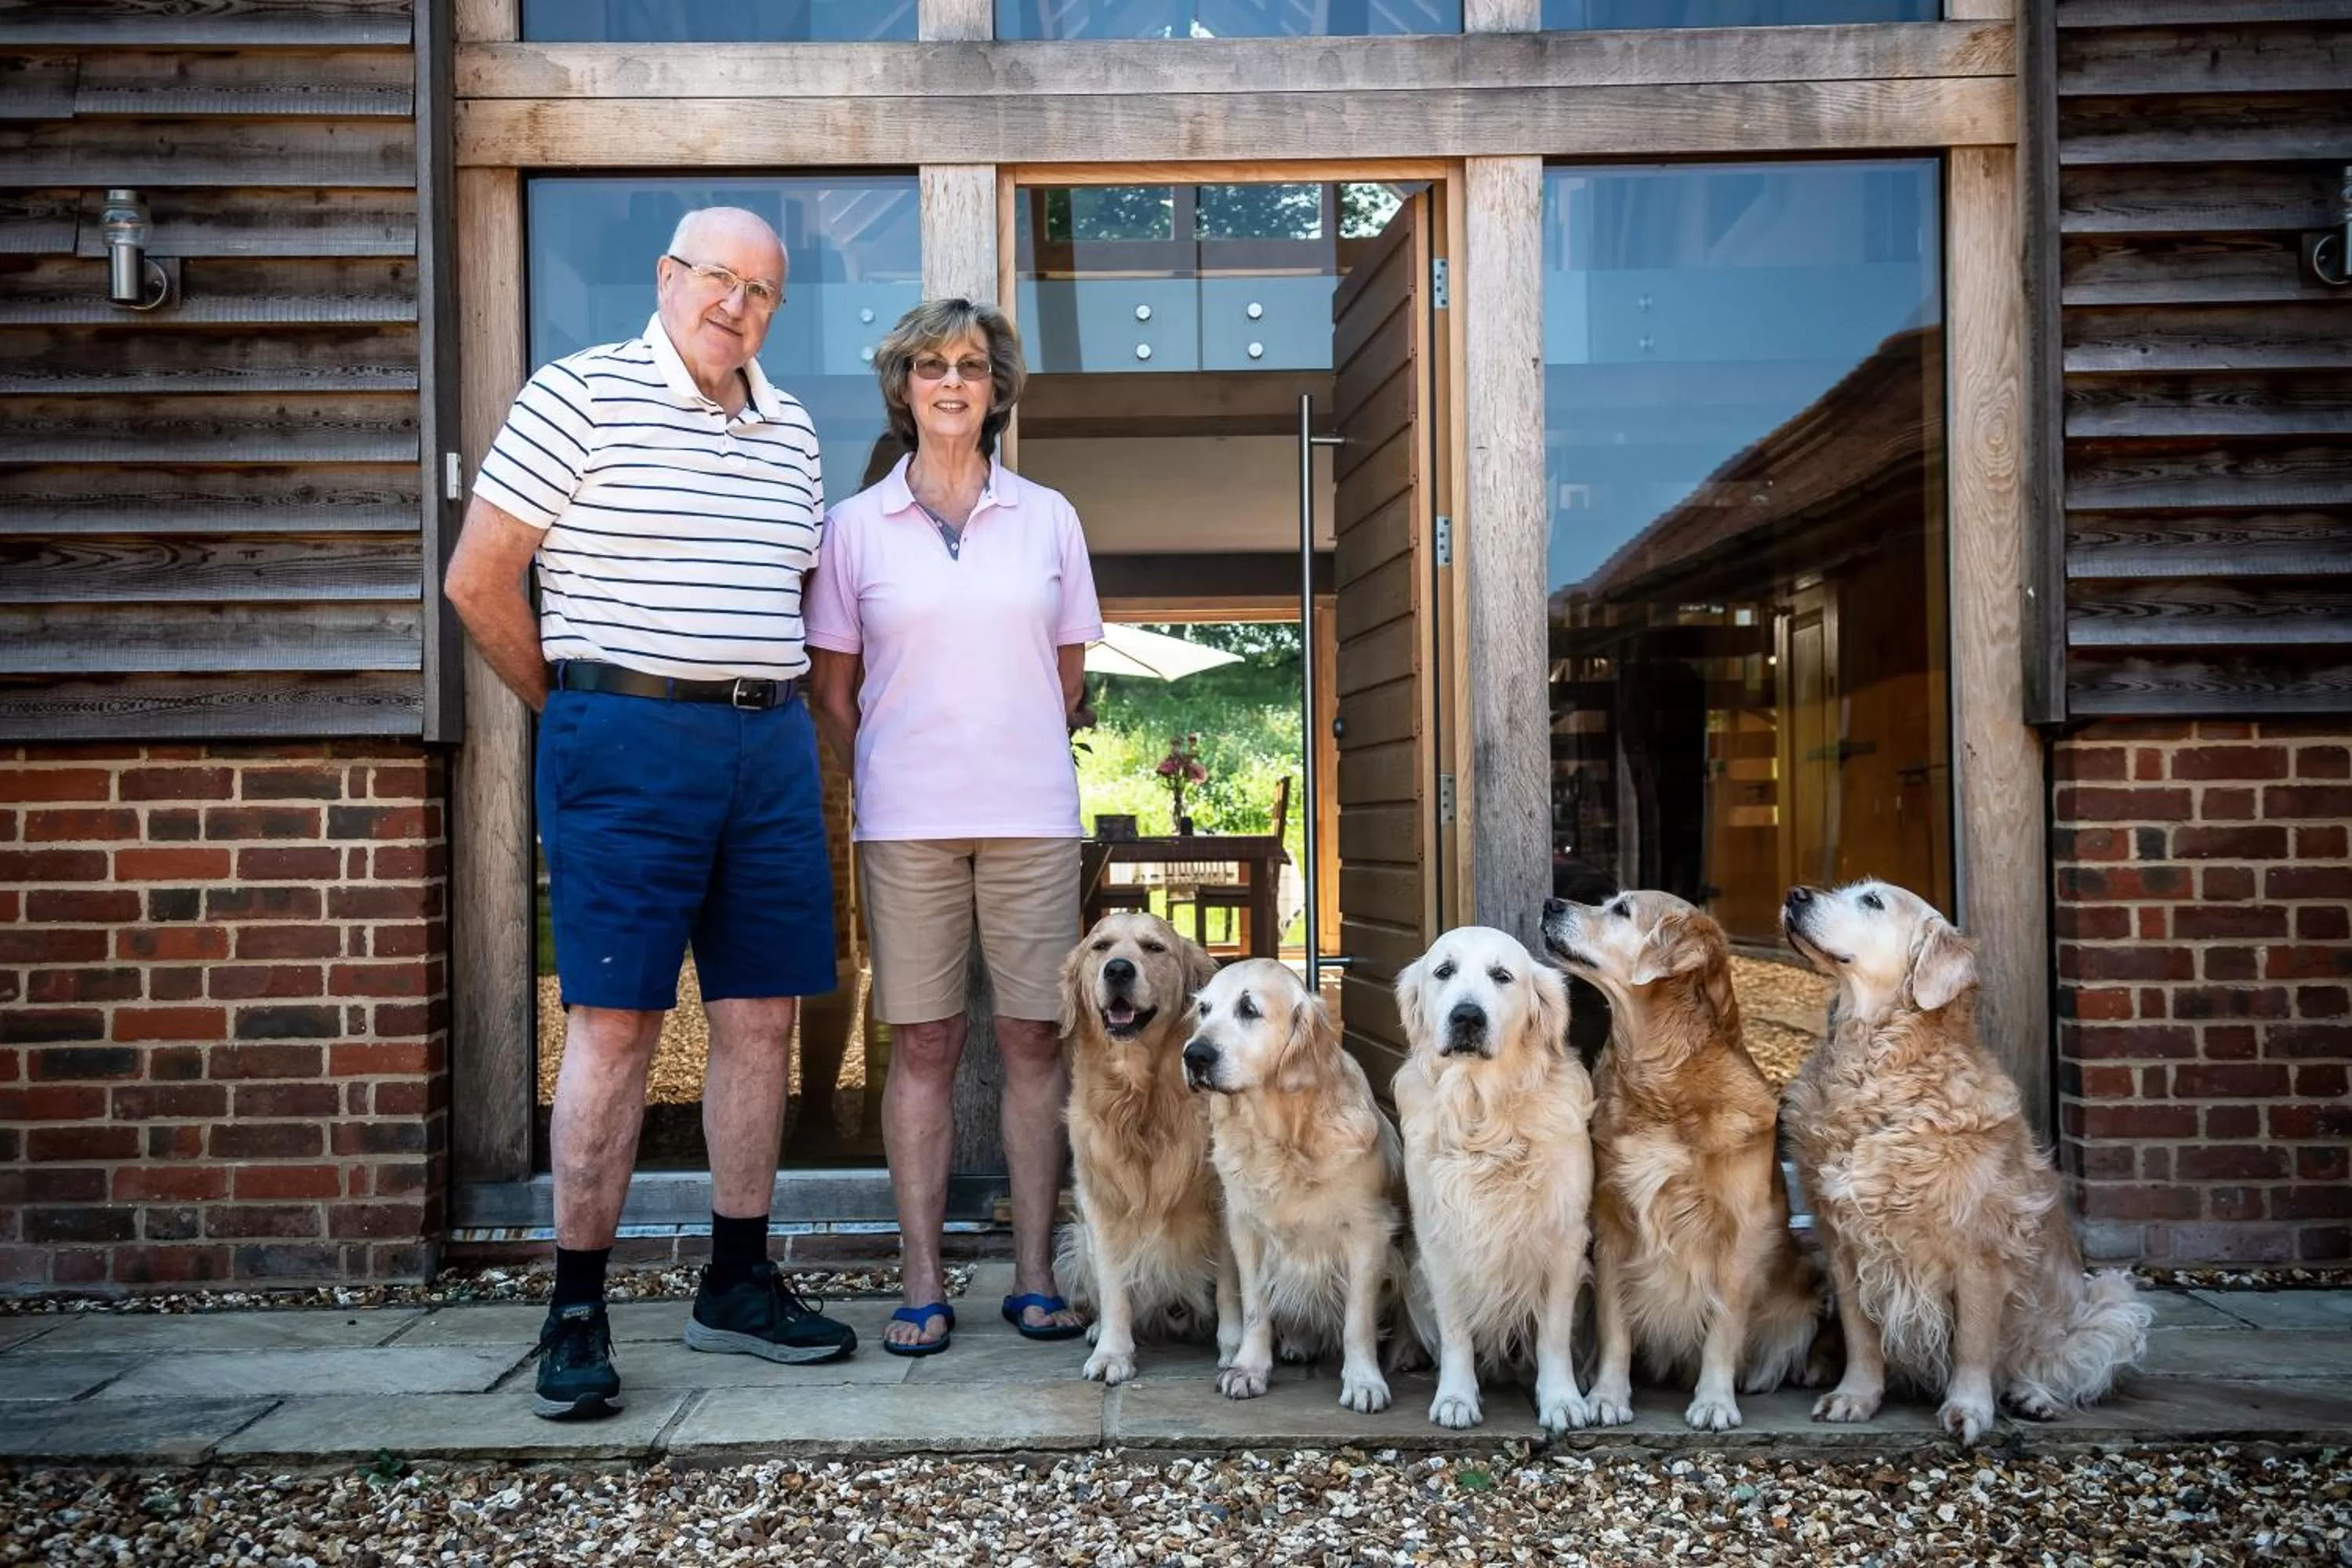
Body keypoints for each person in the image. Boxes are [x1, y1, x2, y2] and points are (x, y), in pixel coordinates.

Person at [444, 206, 856, 1420]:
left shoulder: (794, 434)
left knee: (763, 1018)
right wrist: (572, 707)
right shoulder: (576, 394)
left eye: (764, 290)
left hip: (769, 742)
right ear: (669, 276)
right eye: (718, 278)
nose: (738, 304)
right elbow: (478, 579)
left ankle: (736, 1281)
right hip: (622, 734)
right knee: (615, 1027)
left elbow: (782, 590)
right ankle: (577, 1303)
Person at [805, 298, 1102, 1356]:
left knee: (1033, 1038)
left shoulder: (1050, 517)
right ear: (903, 388)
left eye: (971, 365)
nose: (950, 381)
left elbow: (1065, 676)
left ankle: (1031, 1276)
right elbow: (832, 690)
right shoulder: (852, 530)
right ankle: (922, 1283)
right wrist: (886, 774)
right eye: (929, 364)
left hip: (1030, 819)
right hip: (907, 827)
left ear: (995, 389)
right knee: (924, 1042)